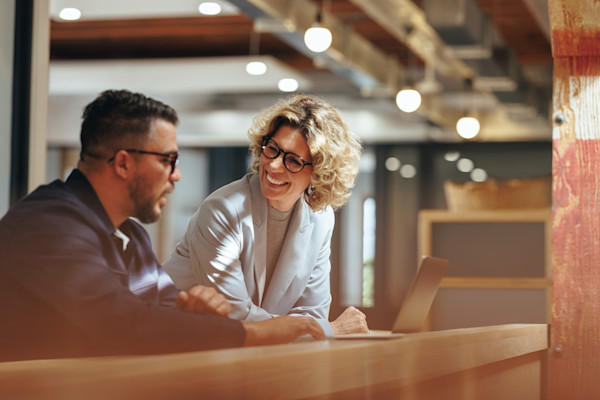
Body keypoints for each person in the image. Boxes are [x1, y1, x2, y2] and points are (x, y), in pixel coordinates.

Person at [0, 89, 324, 362]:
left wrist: (196, 314)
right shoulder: (47, 226)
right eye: (168, 160)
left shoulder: (132, 235)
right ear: (124, 163)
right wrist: (261, 331)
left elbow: (165, 312)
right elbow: (126, 326)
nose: (176, 175)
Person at [163, 94, 368, 336]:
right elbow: (237, 316)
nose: (273, 165)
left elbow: (312, 311)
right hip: (174, 342)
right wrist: (330, 329)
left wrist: (314, 327)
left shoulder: (321, 218)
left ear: (320, 173)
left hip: (248, 351)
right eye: (272, 149)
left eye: (292, 160)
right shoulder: (222, 209)